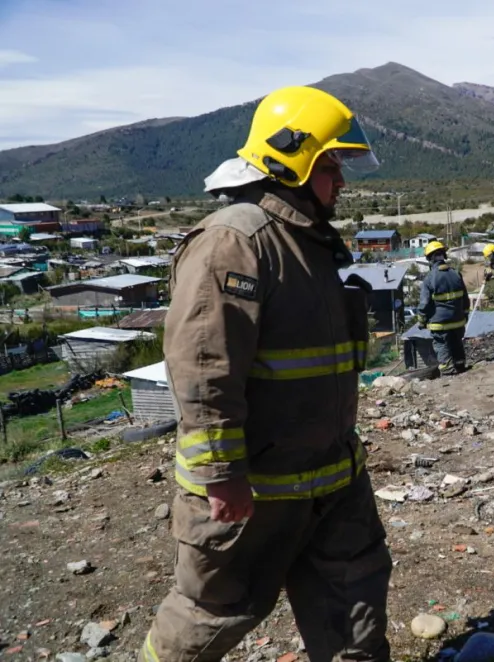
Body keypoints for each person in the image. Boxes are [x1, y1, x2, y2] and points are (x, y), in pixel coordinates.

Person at [140, 85, 393, 662]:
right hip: (254, 491)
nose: (342, 181)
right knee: (209, 616)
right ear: (293, 160)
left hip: (333, 482)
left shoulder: (310, 242)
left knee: (356, 621)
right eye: (332, 165)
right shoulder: (237, 240)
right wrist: (221, 473)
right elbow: (205, 368)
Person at [418, 239, 469, 375]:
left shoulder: (430, 278)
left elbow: (424, 303)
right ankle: (460, 366)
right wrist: (465, 314)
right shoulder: (455, 274)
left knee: (442, 345)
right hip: (458, 321)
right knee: (457, 343)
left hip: (440, 323)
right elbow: (465, 298)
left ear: (430, 259)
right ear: (444, 256)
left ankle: (447, 371)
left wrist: (422, 320)